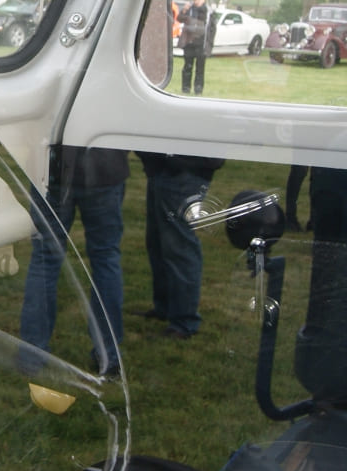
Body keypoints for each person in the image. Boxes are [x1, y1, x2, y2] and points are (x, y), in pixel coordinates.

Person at [19, 146, 130, 376]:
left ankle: (33, 353)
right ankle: (108, 354)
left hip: (54, 166)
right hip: (101, 166)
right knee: (105, 258)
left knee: (45, 260)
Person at [134, 152, 224, 340]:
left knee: (179, 246)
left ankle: (184, 321)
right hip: (168, 165)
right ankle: (166, 308)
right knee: (158, 242)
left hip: (184, 167)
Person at [178, 0, 215, 95]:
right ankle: (185, 88)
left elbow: (212, 29)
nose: (196, 1)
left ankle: (198, 89)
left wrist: (209, 44)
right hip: (189, 43)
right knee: (187, 67)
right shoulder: (189, 9)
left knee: (200, 69)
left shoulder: (208, 12)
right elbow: (179, 19)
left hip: (201, 44)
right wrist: (184, 10)